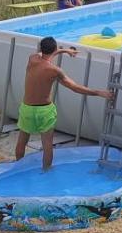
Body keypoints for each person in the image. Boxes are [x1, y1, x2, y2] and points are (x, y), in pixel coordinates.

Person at [15, 36, 114, 171]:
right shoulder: (55, 71)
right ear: (55, 49)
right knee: (47, 145)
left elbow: (46, 53)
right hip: (44, 111)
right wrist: (99, 92)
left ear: (41, 49)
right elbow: (75, 87)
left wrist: (65, 51)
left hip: (27, 108)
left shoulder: (32, 59)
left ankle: (18, 168)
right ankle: (46, 172)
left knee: (22, 141)